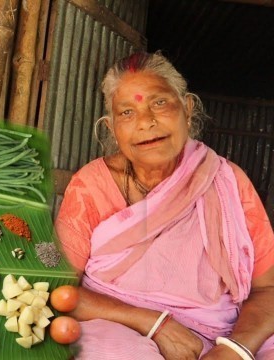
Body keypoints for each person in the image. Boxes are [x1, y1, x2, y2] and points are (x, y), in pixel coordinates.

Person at [55, 51, 274, 359]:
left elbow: (268, 290)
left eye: (159, 102)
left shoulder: (228, 181)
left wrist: (236, 350)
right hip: (119, 327)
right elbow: (58, 289)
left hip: (219, 336)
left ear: (187, 108)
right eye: (127, 113)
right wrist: (154, 323)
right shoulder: (90, 185)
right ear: (111, 128)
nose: (146, 122)